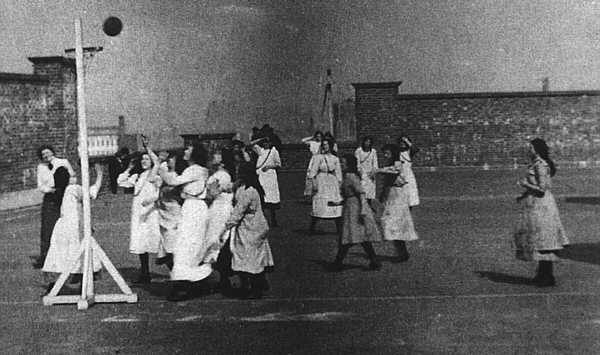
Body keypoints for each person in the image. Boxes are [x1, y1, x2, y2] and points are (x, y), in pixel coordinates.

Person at [514, 138, 569, 287]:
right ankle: (542, 274)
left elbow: (542, 189)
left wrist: (525, 184)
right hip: (537, 205)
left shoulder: (541, 165)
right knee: (540, 240)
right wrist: (524, 195)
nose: (528, 150)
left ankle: (547, 276)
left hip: (542, 206)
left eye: (530, 148)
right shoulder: (536, 164)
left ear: (536, 149)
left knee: (545, 241)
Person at [159, 142, 210, 301]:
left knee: (187, 246)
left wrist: (162, 169)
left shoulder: (196, 170)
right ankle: (190, 282)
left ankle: (186, 284)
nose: (185, 151)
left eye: (188, 149)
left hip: (194, 209)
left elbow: (173, 181)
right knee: (188, 245)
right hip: (191, 208)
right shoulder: (193, 170)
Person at [42, 164, 104, 292]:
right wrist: (99, 175)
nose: (75, 177)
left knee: (62, 255)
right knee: (80, 253)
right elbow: (92, 193)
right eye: (73, 176)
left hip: (62, 227)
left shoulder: (60, 190)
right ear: (68, 178)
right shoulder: (72, 189)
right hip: (74, 227)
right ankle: (83, 283)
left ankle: (54, 285)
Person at [225, 163, 274, 299]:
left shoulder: (249, 191)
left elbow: (239, 210)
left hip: (251, 227)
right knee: (255, 256)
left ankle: (254, 288)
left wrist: (227, 225)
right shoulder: (248, 187)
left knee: (248, 257)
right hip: (253, 225)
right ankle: (259, 282)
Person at [328, 155, 382, 271]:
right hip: (349, 206)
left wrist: (363, 209)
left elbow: (361, 193)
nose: (341, 165)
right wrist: (337, 203)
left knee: (349, 235)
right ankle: (374, 260)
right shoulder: (347, 176)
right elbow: (349, 195)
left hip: (355, 208)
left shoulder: (351, 177)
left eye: (343, 163)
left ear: (349, 164)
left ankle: (337, 263)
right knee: (359, 236)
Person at [118, 145, 162, 284]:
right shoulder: (138, 176)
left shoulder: (155, 175)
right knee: (141, 243)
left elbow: (160, 193)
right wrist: (129, 169)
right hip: (139, 213)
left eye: (147, 159)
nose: (144, 161)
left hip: (151, 213)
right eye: (142, 159)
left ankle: (176, 272)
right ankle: (145, 273)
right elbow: (121, 182)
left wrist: (148, 148)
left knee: (158, 242)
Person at [376, 144, 418, 262]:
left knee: (394, 222)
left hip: (398, 196)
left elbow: (395, 171)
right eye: (384, 153)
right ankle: (402, 252)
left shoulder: (398, 162)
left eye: (387, 153)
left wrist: (378, 170)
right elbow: (387, 182)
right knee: (390, 222)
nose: (385, 155)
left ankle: (402, 253)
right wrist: (382, 195)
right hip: (392, 195)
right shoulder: (389, 165)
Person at [35, 145, 74, 268]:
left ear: (52, 151)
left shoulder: (63, 162)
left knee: (66, 227)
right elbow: (40, 185)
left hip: (64, 197)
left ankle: (68, 258)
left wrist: (65, 190)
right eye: (43, 155)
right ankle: (45, 258)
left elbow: (72, 177)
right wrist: (50, 190)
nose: (46, 156)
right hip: (50, 198)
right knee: (48, 229)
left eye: (47, 152)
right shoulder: (41, 167)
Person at [149, 150, 186, 270]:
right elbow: (151, 178)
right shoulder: (165, 174)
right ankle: (175, 275)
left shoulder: (178, 177)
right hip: (163, 213)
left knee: (172, 248)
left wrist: (158, 165)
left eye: (172, 158)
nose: (169, 160)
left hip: (174, 213)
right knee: (166, 248)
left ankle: (179, 277)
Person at [308, 138, 343, 234]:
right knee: (320, 203)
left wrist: (339, 184)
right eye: (324, 144)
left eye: (327, 144)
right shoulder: (318, 157)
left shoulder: (335, 159)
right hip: (321, 181)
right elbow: (313, 171)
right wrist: (313, 182)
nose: (325, 146)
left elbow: (338, 172)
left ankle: (338, 228)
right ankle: (312, 227)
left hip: (332, 182)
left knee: (334, 203)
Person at [251, 136, 281, 227]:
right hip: (262, 176)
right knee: (262, 197)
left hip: (270, 176)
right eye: (265, 142)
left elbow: (278, 164)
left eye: (268, 142)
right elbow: (251, 144)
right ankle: (262, 220)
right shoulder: (261, 151)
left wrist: (269, 166)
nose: (266, 144)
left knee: (271, 197)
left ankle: (273, 220)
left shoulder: (274, 151)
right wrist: (261, 138)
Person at [397, 136, 420, 208]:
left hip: (409, 176)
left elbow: (415, 149)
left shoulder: (409, 152)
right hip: (400, 176)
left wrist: (407, 141)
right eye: (401, 142)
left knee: (410, 197)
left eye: (404, 143)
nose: (402, 144)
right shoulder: (397, 153)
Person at [354, 136, 378, 203]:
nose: (367, 143)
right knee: (362, 192)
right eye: (366, 142)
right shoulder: (359, 151)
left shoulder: (373, 151)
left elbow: (375, 163)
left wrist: (373, 172)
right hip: (362, 174)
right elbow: (357, 162)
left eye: (369, 142)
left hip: (370, 175)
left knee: (370, 194)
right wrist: (359, 172)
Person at [301, 131, 323, 199]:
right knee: (310, 175)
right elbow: (303, 140)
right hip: (314, 159)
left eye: (320, 137)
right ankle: (309, 193)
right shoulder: (313, 143)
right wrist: (312, 137)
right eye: (317, 136)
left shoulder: (323, 144)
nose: (319, 138)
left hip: (321, 159)